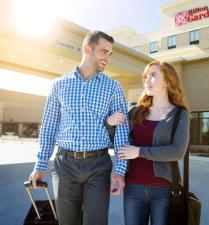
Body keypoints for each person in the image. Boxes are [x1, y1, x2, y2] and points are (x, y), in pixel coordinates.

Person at [28, 31, 129, 225]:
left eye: (110, 53)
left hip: (98, 165)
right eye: (104, 51)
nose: (108, 57)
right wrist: (40, 165)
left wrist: (120, 170)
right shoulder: (59, 85)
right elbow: (49, 127)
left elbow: (122, 132)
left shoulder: (113, 87)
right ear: (87, 49)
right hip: (64, 165)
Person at [106, 60, 190, 225]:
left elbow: (177, 151)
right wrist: (109, 124)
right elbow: (115, 141)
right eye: (146, 76)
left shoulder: (180, 114)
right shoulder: (135, 112)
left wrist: (139, 151)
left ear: (167, 81)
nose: (147, 80)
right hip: (133, 188)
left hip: (164, 190)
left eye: (153, 75)